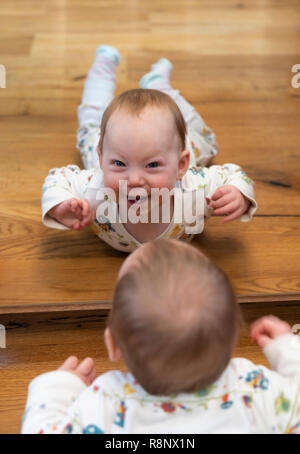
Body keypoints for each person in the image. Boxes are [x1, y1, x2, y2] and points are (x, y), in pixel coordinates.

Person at [22, 239, 300, 434]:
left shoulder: (104, 402)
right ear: (232, 339)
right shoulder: (256, 390)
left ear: (113, 344)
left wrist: (58, 388)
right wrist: (288, 349)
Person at [41, 46, 257, 252]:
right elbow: (57, 178)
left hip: (169, 142)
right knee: (91, 123)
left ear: (181, 166)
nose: (134, 180)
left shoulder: (195, 188)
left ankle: (159, 86)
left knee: (204, 140)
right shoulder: (94, 188)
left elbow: (233, 174)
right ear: (102, 160)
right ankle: (102, 68)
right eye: (119, 164)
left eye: (152, 165)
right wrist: (60, 204)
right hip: (111, 140)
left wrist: (239, 194)